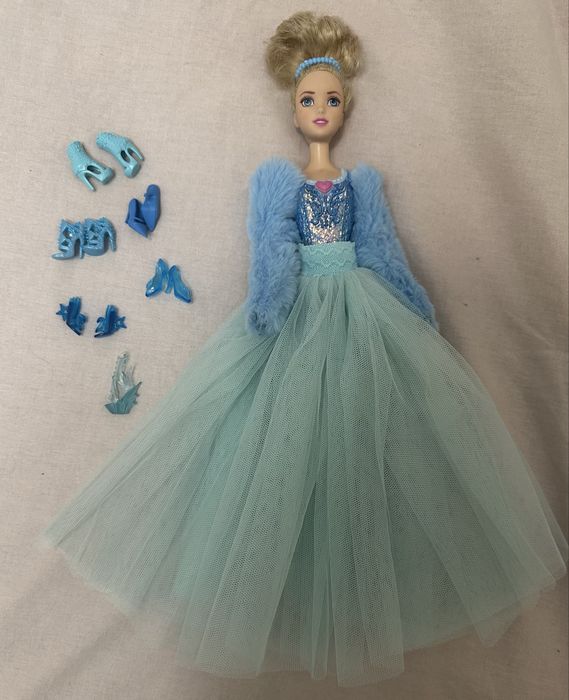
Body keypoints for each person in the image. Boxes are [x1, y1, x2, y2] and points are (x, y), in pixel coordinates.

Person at [41, 10, 568, 688]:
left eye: (332, 99)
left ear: (345, 108)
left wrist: (412, 305)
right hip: (298, 309)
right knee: (281, 441)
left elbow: (380, 248)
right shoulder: (277, 182)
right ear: (293, 109)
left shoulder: (360, 184)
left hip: (362, 307)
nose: (321, 109)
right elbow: (270, 247)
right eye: (309, 99)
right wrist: (268, 303)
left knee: (372, 435)